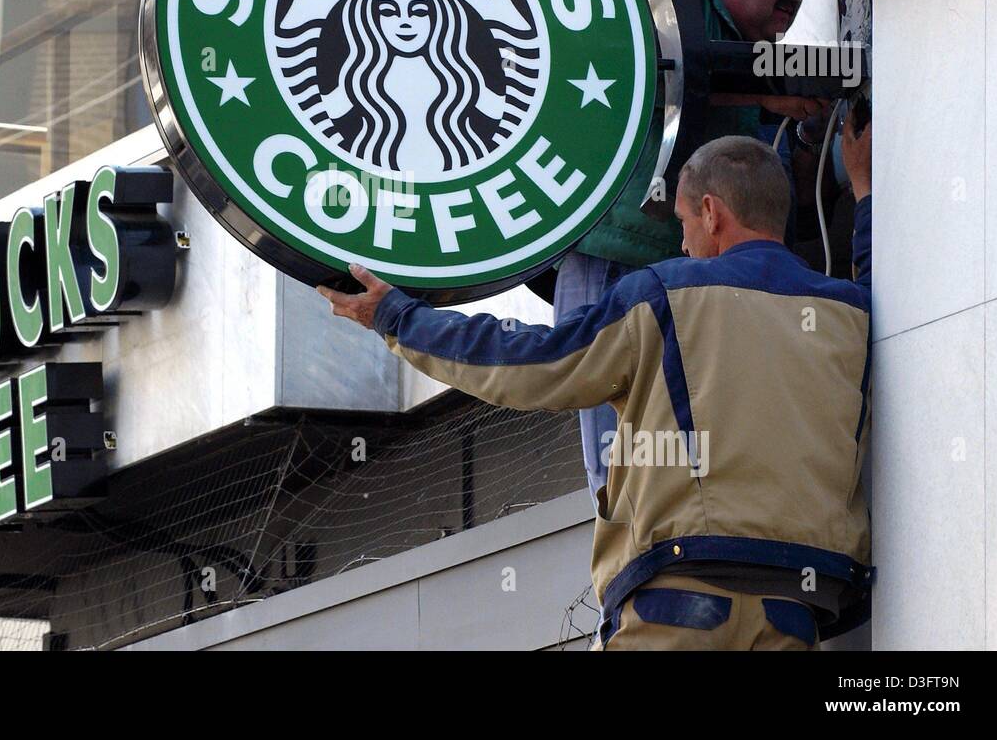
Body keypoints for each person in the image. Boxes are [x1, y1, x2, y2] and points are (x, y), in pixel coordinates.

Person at [317, 120, 873, 650]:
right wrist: (867, 192)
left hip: (679, 599)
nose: (681, 244)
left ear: (711, 212)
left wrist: (398, 318)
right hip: (798, 608)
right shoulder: (850, 312)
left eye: (680, 223)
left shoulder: (664, 295)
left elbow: (535, 363)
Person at [555, 0, 828, 514]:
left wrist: (804, 127)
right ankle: (631, 561)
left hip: (692, 275)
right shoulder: (671, 2)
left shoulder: (752, 49)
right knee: (617, 437)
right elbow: (626, 70)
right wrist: (758, 89)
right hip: (624, 251)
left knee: (677, 435)